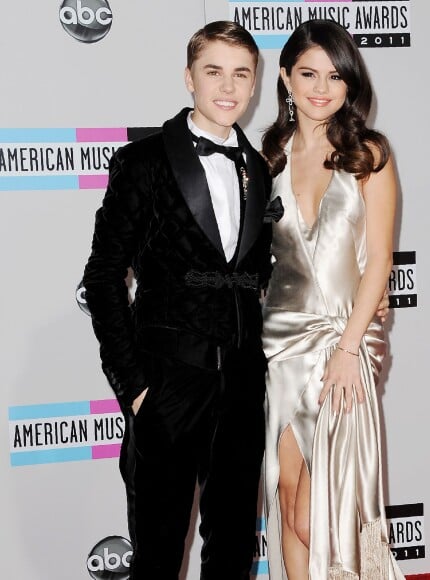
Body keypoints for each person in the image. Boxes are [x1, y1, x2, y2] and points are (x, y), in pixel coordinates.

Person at [82, 21, 276, 580]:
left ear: (255, 82)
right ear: (189, 78)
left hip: (241, 386)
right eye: (213, 71)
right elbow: (102, 276)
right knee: (159, 556)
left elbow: (265, 273)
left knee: (234, 551)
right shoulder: (143, 161)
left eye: (241, 73)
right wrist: (134, 385)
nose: (228, 86)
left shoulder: (260, 170)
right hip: (166, 385)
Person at [261, 20, 406, 580]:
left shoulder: (369, 154)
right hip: (278, 349)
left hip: (341, 349)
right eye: (308, 73)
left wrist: (350, 348)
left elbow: (379, 264)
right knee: (287, 495)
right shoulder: (267, 156)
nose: (322, 88)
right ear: (286, 78)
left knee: (318, 516)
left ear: (351, 84)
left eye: (336, 76)